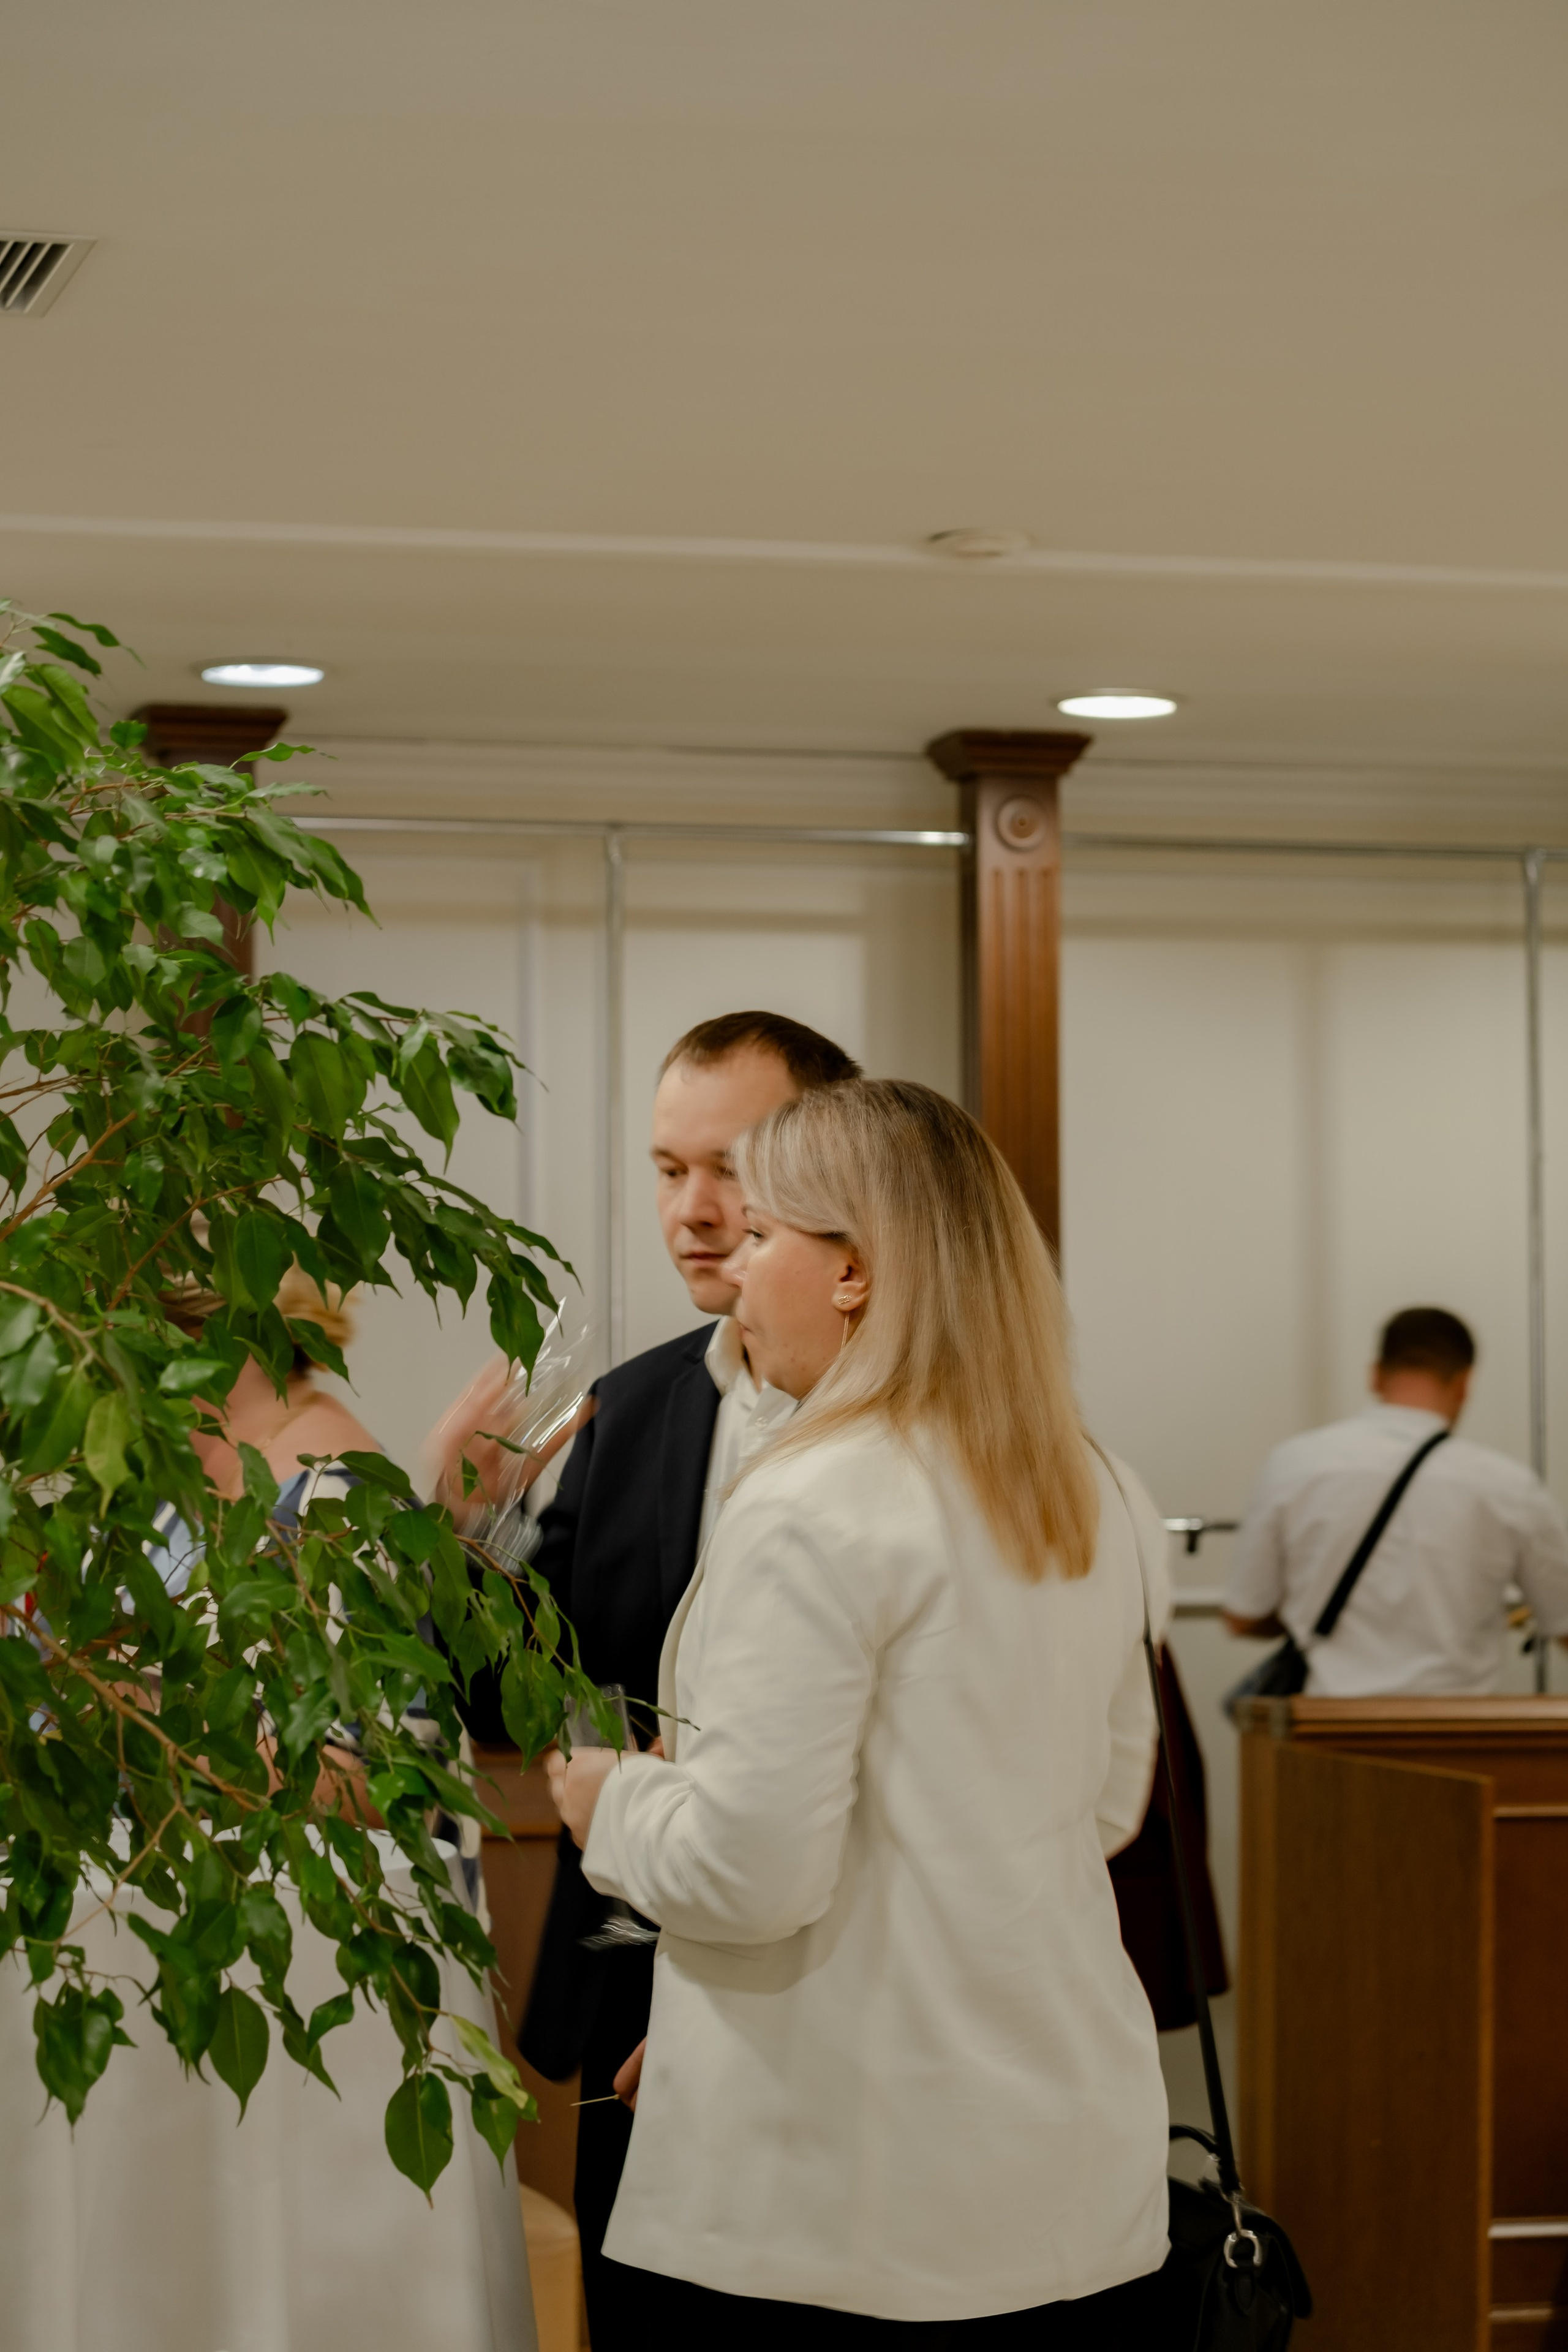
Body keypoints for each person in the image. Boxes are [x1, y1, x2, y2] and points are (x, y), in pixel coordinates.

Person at [549, 1079, 1172, 2346]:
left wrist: (611, 1800)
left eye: (761, 1233)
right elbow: (1102, 1804)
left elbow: (749, 1873)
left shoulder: (814, 1499)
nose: (733, 1269)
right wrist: (724, 2029)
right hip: (1059, 2166)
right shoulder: (1093, 1485)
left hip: (842, 2209)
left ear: (852, 1272)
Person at [431, 1009, 862, 2343]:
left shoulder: (921, 1422)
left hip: (849, 2001)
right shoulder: (634, 1405)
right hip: (634, 1989)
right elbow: (515, 1698)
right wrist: (465, 1531)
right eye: (670, 1170)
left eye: (730, 1168)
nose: (695, 1210)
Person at [1223, 1305, 1568, 1695]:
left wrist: (1309, 1611)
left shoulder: (1292, 1464)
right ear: (1464, 1383)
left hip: (1322, 1721)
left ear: (1374, 1375)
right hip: (1456, 1724)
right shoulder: (1509, 1486)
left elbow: (1243, 1618)